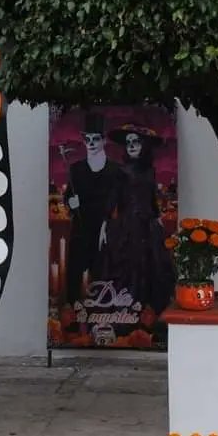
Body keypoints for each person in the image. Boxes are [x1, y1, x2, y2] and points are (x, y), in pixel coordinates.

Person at [102, 123, 175, 316]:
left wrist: (158, 216)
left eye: (136, 142)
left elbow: (151, 197)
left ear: (144, 145)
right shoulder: (121, 171)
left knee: (152, 264)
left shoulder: (149, 171)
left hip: (149, 225)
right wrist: (105, 222)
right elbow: (113, 198)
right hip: (128, 225)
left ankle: (149, 308)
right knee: (130, 265)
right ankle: (129, 309)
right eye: (128, 143)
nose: (132, 145)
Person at [63, 112, 122, 307]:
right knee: (74, 272)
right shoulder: (76, 169)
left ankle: (105, 311)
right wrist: (71, 203)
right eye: (87, 139)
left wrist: (110, 224)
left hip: (105, 230)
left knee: (103, 272)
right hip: (81, 228)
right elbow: (68, 196)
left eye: (95, 138)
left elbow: (120, 201)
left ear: (103, 140)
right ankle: (72, 312)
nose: (91, 143)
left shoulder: (115, 170)